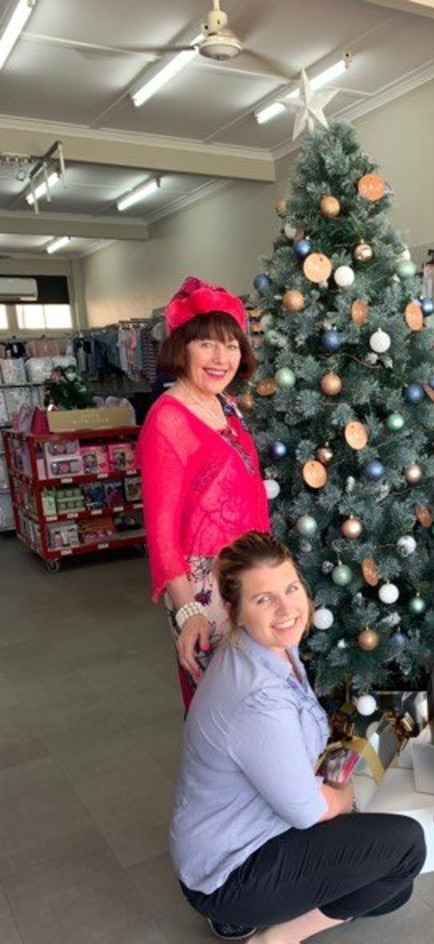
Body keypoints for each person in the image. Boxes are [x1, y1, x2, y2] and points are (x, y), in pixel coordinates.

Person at [170, 531, 426, 944]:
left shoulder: (266, 649)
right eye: (263, 598)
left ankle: (245, 913)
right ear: (234, 611)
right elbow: (308, 811)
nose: (287, 608)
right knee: (405, 850)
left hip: (227, 845)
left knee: (392, 890)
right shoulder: (258, 697)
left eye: (291, 588)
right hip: (230, 870)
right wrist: (346, 797)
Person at [137, 277, 270, 710]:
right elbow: (160, 530)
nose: (221, 357)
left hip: (251, 572)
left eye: (231, 345)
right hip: (203, 587)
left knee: (260, 701)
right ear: (183, 348)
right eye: (207, 345)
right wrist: (187, 609)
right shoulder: (168, 420)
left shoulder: (225, 405)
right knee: (225, 712)